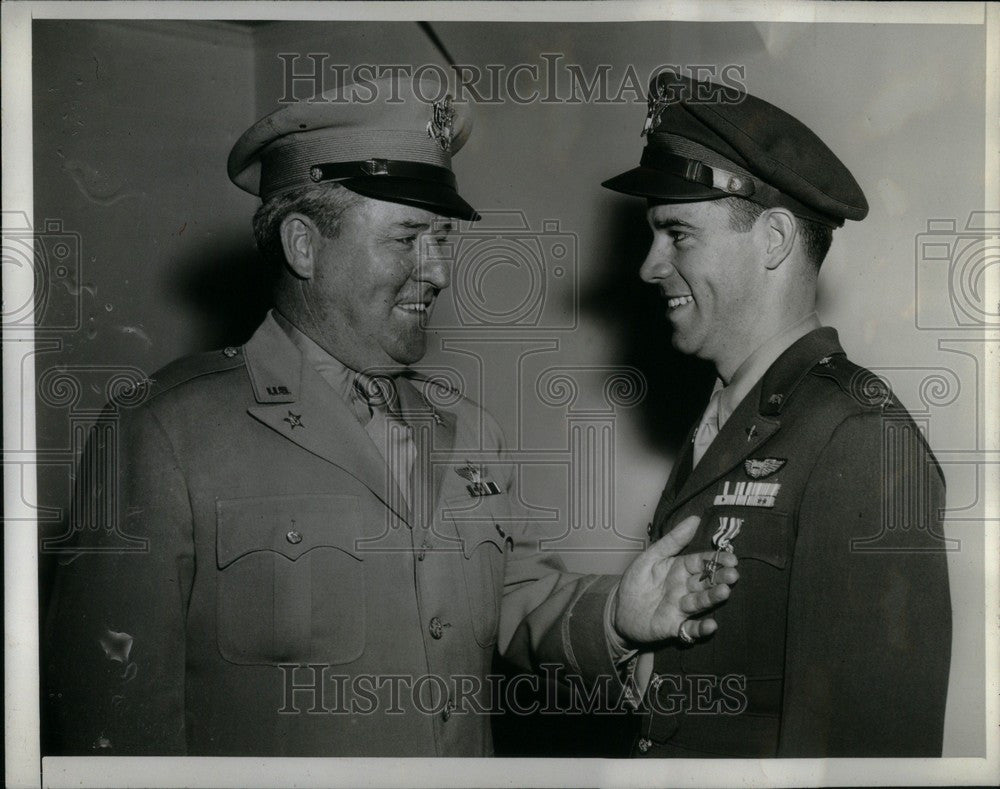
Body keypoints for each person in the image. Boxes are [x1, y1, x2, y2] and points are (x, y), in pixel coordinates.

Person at [43, 76, 736, 757]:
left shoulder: (466, 427)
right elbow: (114, 729)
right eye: (407, 239)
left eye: (442, 240)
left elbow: (519, 601)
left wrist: (618, 613)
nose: (437, 271)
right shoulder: (165, 434)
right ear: (303, 245)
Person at [601, 73, 952, 757]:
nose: (649, 265)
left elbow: (870, 753)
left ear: (773, 240)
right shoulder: (730, 418)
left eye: (677, 233)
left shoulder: (861, 437)